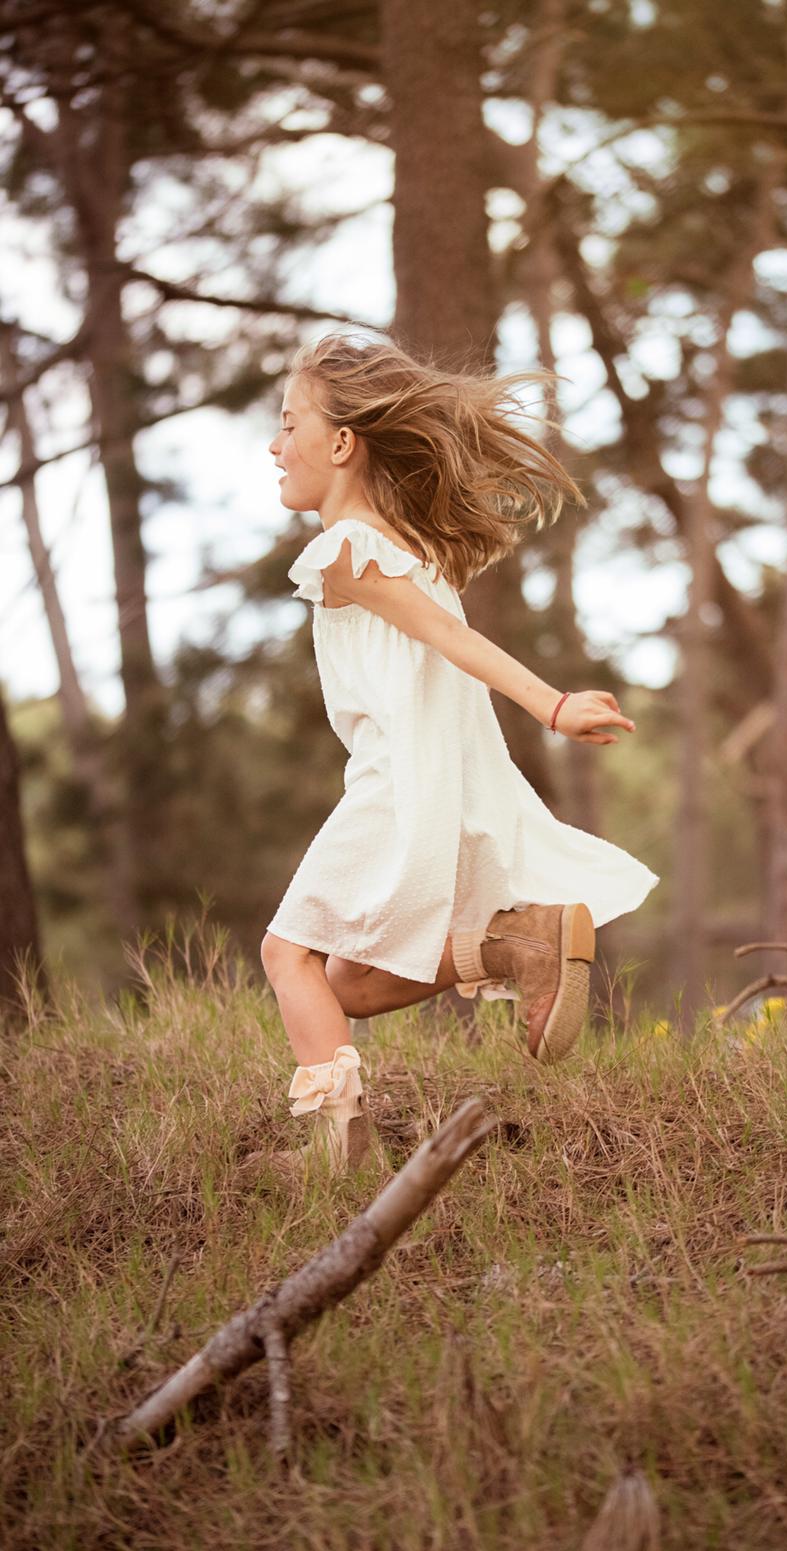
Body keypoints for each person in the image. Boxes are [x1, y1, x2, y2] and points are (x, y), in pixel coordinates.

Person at [260, 329, 659, 1175]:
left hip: (397, 786)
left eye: (289, 423)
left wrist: (553, 706)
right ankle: (515, 944)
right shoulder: (399, 545)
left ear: (340, 443)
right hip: (437, 781)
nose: (275, 444)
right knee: (349, 985)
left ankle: (339, 1148)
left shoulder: (347, 549)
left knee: (285, 953)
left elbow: (449, 638)